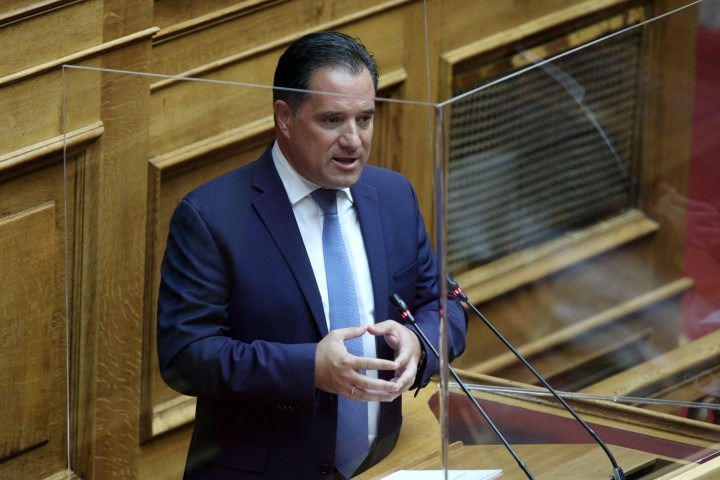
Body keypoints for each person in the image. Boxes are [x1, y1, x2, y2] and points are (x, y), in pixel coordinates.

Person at [157, 31, 468, 480]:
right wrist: (309, 369)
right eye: (332, 120)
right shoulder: (211, 217)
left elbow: (443, 304)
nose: (354, 140)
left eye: (365, 119)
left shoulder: (393, 195)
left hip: (384, 466)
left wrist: (420, 344)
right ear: (285, 117)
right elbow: (186, 355)